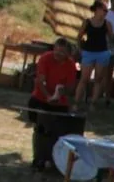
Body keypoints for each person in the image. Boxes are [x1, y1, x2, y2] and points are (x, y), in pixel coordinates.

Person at [28, 38, 80, 170]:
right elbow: (40, 81)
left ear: (68, 54)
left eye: (62, 52)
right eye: (56, 50)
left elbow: (71, 88)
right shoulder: (45, 58)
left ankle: (55, 160)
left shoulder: (70, 65)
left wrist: (62, 91)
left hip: (60, 103)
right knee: (40, 130)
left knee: (58, 132)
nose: (58, 54)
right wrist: (48, 96)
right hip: (40, 98)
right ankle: (39, 158)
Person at [75, 0, 114, 109]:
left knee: (98, 79)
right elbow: (79, 36)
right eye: (104, 10)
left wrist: (110, 50)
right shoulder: (87, 22)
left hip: (102, 52)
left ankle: (93, 103)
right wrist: (80, 49)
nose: (106, 12)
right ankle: (76, 103)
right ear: (97, 9)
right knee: (84, 79)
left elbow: (112, 38)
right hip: (88, 52)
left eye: (107, 11)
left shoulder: (107, 24)